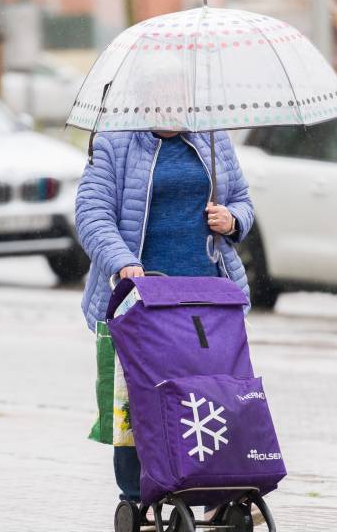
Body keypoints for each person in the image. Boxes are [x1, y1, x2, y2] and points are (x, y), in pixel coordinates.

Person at [75, 129, 254, 504]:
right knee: (138, 398)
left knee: (213, 395)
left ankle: (218, 492)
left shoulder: (212, 137)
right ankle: (136, 493)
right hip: (141, 299)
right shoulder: (113, 142)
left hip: (206, 296)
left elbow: (242, 200)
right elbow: (92, 214)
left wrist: (233, 218)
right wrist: (123, 261)